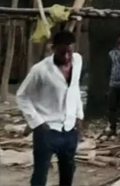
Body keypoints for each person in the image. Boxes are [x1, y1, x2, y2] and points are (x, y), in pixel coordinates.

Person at [17, 31, 83, 186]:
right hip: (47, 131)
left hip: (69, 130)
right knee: (40, 175)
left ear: (74, 48)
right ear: (53, 49)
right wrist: (37, 122)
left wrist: (79, 116)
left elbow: (75, 89)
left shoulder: (78, 61)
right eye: (62, 52)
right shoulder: (40, 70)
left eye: (69, 52)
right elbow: (22, 96)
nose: (66, 57)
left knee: (68, 172)